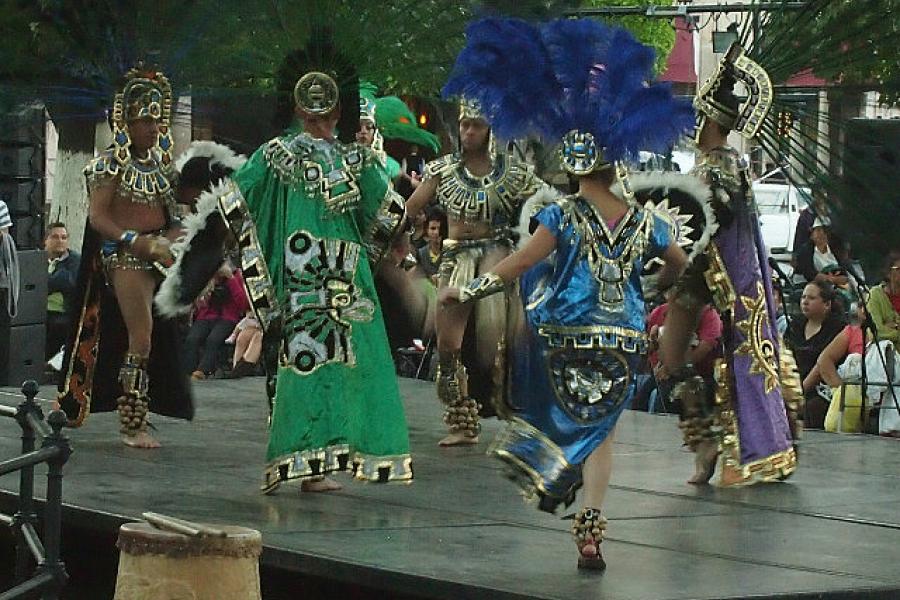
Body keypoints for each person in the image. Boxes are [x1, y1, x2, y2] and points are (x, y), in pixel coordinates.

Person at [440, 16, 693, 570]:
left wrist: (468, 291)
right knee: (602, 434)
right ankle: (591, 526)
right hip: (623, 342)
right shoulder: (647, 223)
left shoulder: (561, 215)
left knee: (568, 419)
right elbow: (684, 268)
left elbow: (517, 265)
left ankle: (541, 463)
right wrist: (663, 296)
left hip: (564, 340)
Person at [160, 60, 413, 493]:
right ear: (327, 113)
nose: (317, 122)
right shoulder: (348, 159)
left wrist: (205, 257)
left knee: (305, 365)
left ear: (315, 112)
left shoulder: (280, 155)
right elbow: (391, 214)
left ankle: (305, 463)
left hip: (305, 276)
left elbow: (233, 203)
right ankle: (314, 466)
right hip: (336, 279)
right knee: (326, 367)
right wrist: (372, 253)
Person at [57, 65, 192, 448]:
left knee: (160, 339)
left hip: (157, 255)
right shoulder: (108, 165)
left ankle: (144, 411)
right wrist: (134, 240)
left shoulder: (163, 167)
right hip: (126, 258)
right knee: (142, 338)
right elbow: (97, 217)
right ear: (128, 123)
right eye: (146, 121)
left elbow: (172, 215)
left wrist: (170, 240)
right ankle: (133, 423)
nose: (153, 129)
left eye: (157, 121)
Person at [405, 98, 542, 447]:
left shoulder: (514, 174)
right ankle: (461, 420)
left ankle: (515, 414)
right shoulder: (443, 171)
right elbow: (409, 209)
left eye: (476, 125)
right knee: (448, 345)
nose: (467, 131)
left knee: (499, 341)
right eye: (464, 124)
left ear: (490, 130)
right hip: (454, 261)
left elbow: (545, 206)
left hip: (496, 258)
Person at [788, 280, 845, 428]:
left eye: (811, 298)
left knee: (812, 408)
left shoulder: (836, 328)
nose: (805, 302)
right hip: (793, 384)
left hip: (820, 389)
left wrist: (800, 391)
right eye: (803, 297)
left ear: (827, 304)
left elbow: (821, 367)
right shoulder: (795, 325)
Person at [183, 262, 248, 379]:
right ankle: (188, 371)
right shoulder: (207, 276)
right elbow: (198, 304)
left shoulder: (236, 275)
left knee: (213, 339)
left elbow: (243, 304)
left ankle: (202, 371)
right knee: (192, 339)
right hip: (207, 316)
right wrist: (206, 291)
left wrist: (231, 279)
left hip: (228, 317)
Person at [44, 223, 81, 361]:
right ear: (45, 240)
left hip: (63, 313)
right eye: (55, 237)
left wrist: (46, 282)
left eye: (64, 237)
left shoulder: (75, 260)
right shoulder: (37, 258)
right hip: (36, 312)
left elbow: (67, 282)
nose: (60, 241)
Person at [794, 217, 848, 283]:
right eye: (818, 230)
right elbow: (810, 275)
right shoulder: (805, 251)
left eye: (825, 231)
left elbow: (844, 272)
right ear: (812, 234)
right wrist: (832, 279)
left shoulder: (836, 250)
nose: (822, 234)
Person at [865, 251, 900, 346]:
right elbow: (876, 331)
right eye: (898, 269)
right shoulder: (875, 295)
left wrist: (891, 327)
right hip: (885, 355)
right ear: (888, 273)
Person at [227, 311, 263, 378]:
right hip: (258, 322)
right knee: (242, 337)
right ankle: (235, 368)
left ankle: (243, 368)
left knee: (257, 336)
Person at [415, 207, 446, 284]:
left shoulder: (450, 253)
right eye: (433, 228)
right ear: (426, 230)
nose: (436, 232)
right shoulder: (420, 254)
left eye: (440, 228)